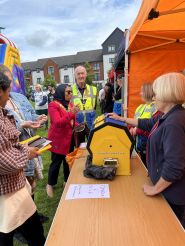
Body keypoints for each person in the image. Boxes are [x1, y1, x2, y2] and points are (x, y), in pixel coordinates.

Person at [108, 72, 185, 227]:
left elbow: (174, 166)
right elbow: (147, 123)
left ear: (167, 95)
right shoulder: (170, 115)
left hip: (171, 194)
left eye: (156, 94)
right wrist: (121, 118)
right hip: (167, 190)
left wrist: (155, 189)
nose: (153, 98)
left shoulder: (173, 123)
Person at [0, 72, 45, 246]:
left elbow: (10, 143)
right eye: (8, 88)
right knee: (11, 234)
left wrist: (23, 147)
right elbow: (3, 160)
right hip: (8, 191)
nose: (10, 93)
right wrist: (27, 153)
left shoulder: (3, 111)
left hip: (13, 187)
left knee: (28, 231)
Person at [46, 84, 80, 198]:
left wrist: (79, 125)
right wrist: (72, 113)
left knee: (67, 161)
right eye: (68, 92)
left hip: (68, 139)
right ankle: (50, 184)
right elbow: (57, 123)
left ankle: (66, 181)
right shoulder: (53, 105)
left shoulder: (69, 104)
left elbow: (71, 122)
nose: (70, 94)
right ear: (61, 92)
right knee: (56, 163)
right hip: (57, 140)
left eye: (71, 92)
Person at [129, 83, 157, 165]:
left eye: (142, 91)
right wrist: (131, 128)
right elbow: (134, 121)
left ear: (148, 92)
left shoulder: (156, 108)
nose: (140, 93)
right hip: (139, 144)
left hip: (149, 145)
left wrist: (137, 130)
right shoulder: (140, 107)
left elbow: (153, 127)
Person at [71, 66, 97, 145]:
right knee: (79, 147)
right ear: (75, 76)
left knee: (93, 145)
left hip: (91, 123)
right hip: (77, 124)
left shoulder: (93, 89)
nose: (81, 76)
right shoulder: (70, 90)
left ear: (86, 75)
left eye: (82, 73)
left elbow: (94, 106)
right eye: (78, 74)